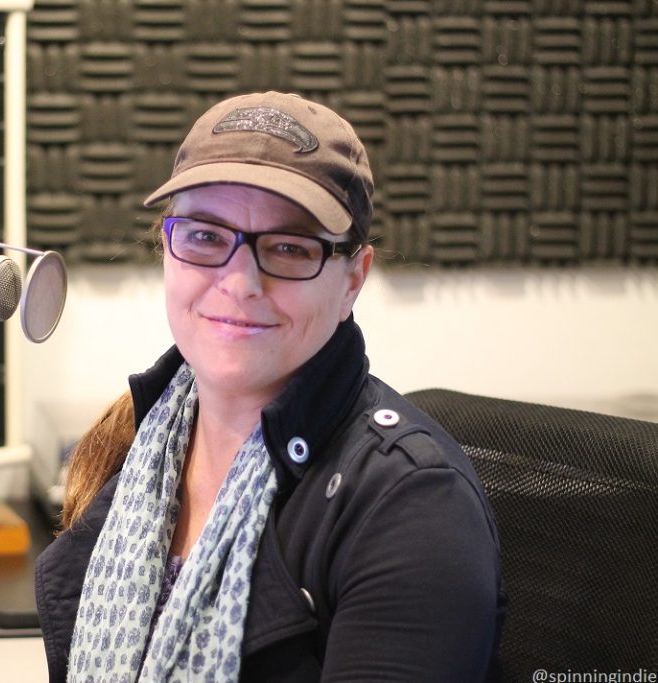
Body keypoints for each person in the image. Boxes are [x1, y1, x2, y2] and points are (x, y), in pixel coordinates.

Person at [35, 91, 504, 682]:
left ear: (353, 278)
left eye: (288, 247)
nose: (240, 281)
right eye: (205, 236)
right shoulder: (135, 452)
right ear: (166, 245)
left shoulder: (413, 509)